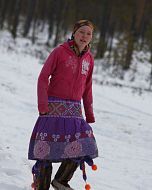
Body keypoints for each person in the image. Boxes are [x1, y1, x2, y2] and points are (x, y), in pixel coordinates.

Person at [28, 20, 98, 190]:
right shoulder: (59, 52)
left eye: (88, 33)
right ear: (74, 33)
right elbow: (43, 78)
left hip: (74, 110)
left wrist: (89, 113)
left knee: (83, 145)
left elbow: (87, 88)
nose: (85, 36)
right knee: (46, 151)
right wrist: (43, 106)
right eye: (82, 32)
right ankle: (42, 185)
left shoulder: (89, 59)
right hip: (52, 108)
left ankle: (61, 181)